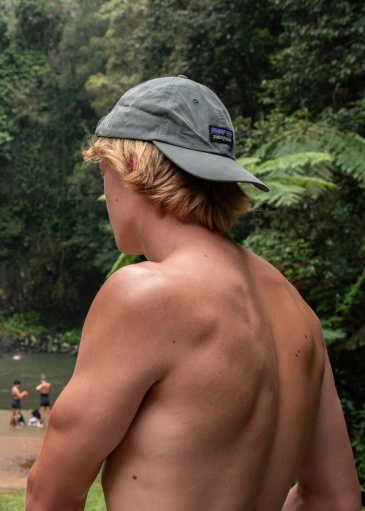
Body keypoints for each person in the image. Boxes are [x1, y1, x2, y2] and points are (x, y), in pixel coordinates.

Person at [26, 76, 360, 510]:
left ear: (129, 167)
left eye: (103, 172)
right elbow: (335, 498)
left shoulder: (144, 294)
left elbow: (49, 494)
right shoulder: (298, 313)